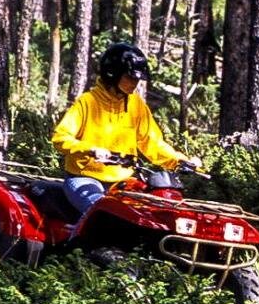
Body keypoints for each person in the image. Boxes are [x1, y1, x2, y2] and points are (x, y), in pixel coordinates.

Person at [52, 42, 199, 214]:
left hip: (123, 181)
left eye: (137, 78)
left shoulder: (136, 105)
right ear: (112, 74)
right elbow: (60, 138)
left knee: (152, 213)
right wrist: (90, 149)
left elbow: (153, 143)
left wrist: (181, 161)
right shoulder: (88, 102)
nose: (135, 83)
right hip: (84, 178)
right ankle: (78, 242)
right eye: (130, 77)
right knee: (102, 212)